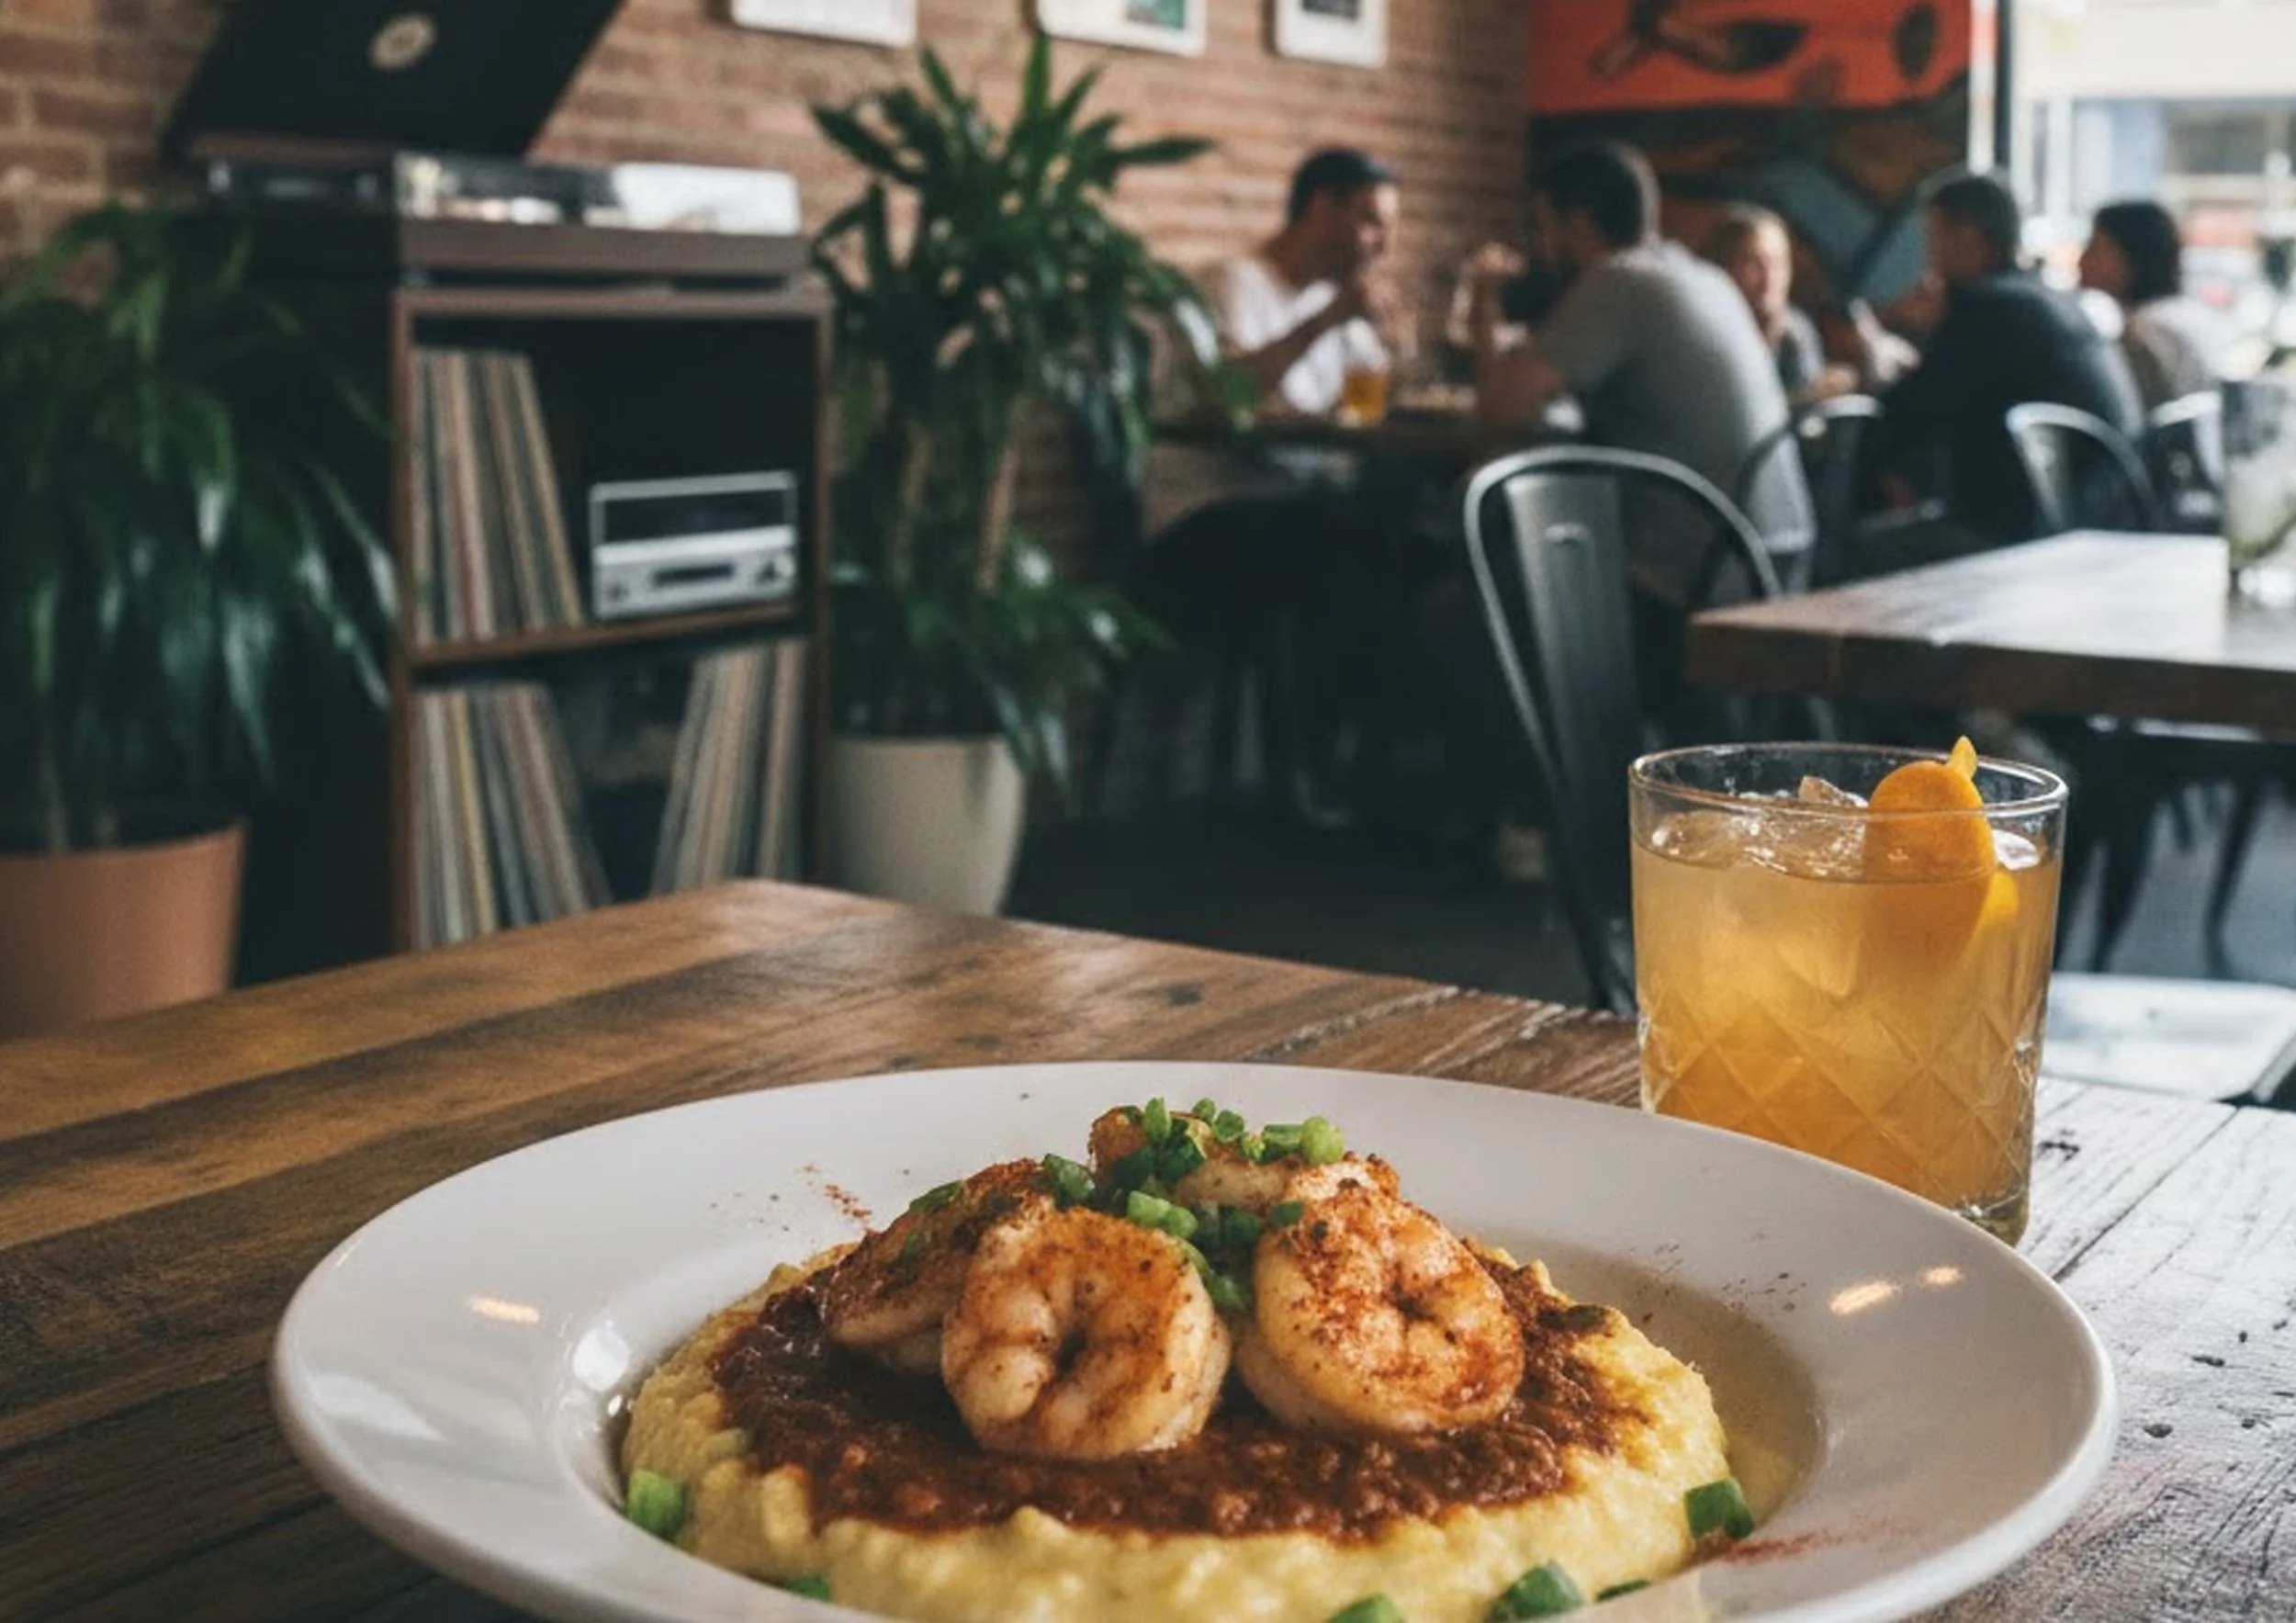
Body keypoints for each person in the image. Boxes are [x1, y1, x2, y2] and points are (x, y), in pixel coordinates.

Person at [1134, 148, 1407, 824]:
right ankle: (1308, 781)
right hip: (1205, 510)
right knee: (1341, 553)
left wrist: (1392, 346)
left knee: (1407, 540)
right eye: (1371, 222)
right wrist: (1324, 324)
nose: (1383, 244)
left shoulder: (1333, 299)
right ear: (1320, 208)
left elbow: (1366, 409)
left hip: (1292, 503)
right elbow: (1229, 399)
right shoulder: (1231, 283)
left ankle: (1367, 771)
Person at [1469, 140, 1815, 606]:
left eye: (1543, 227)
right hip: (1779, 561)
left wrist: (1484, 304)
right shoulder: (1704, 277)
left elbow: (1497, 411)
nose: (1540, 248)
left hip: (1701, 583)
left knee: (1459, 607)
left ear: (1580, 227)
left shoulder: (1619, 279)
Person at [1870, 170, 2144, 544]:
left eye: (1935, 238)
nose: (1930, 259)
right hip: (2109, 512)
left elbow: (1906, 414)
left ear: (1967, 239)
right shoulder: (2053, 298)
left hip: (2033, 533)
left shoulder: (1988, 306)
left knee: (1857, 547)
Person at [2079, 199, 2227, 411]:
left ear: (2129, 256)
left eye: (2094, 248)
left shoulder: (2145, 330)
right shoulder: (2190, 315)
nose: (2082, 261)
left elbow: (2131, 414)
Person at [1701, 204, 1835, 400]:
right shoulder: (1704, 332)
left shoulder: (1794, 334)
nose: (1769, 278)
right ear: (1723, 267)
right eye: (1753, 264)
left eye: (1778, 264)